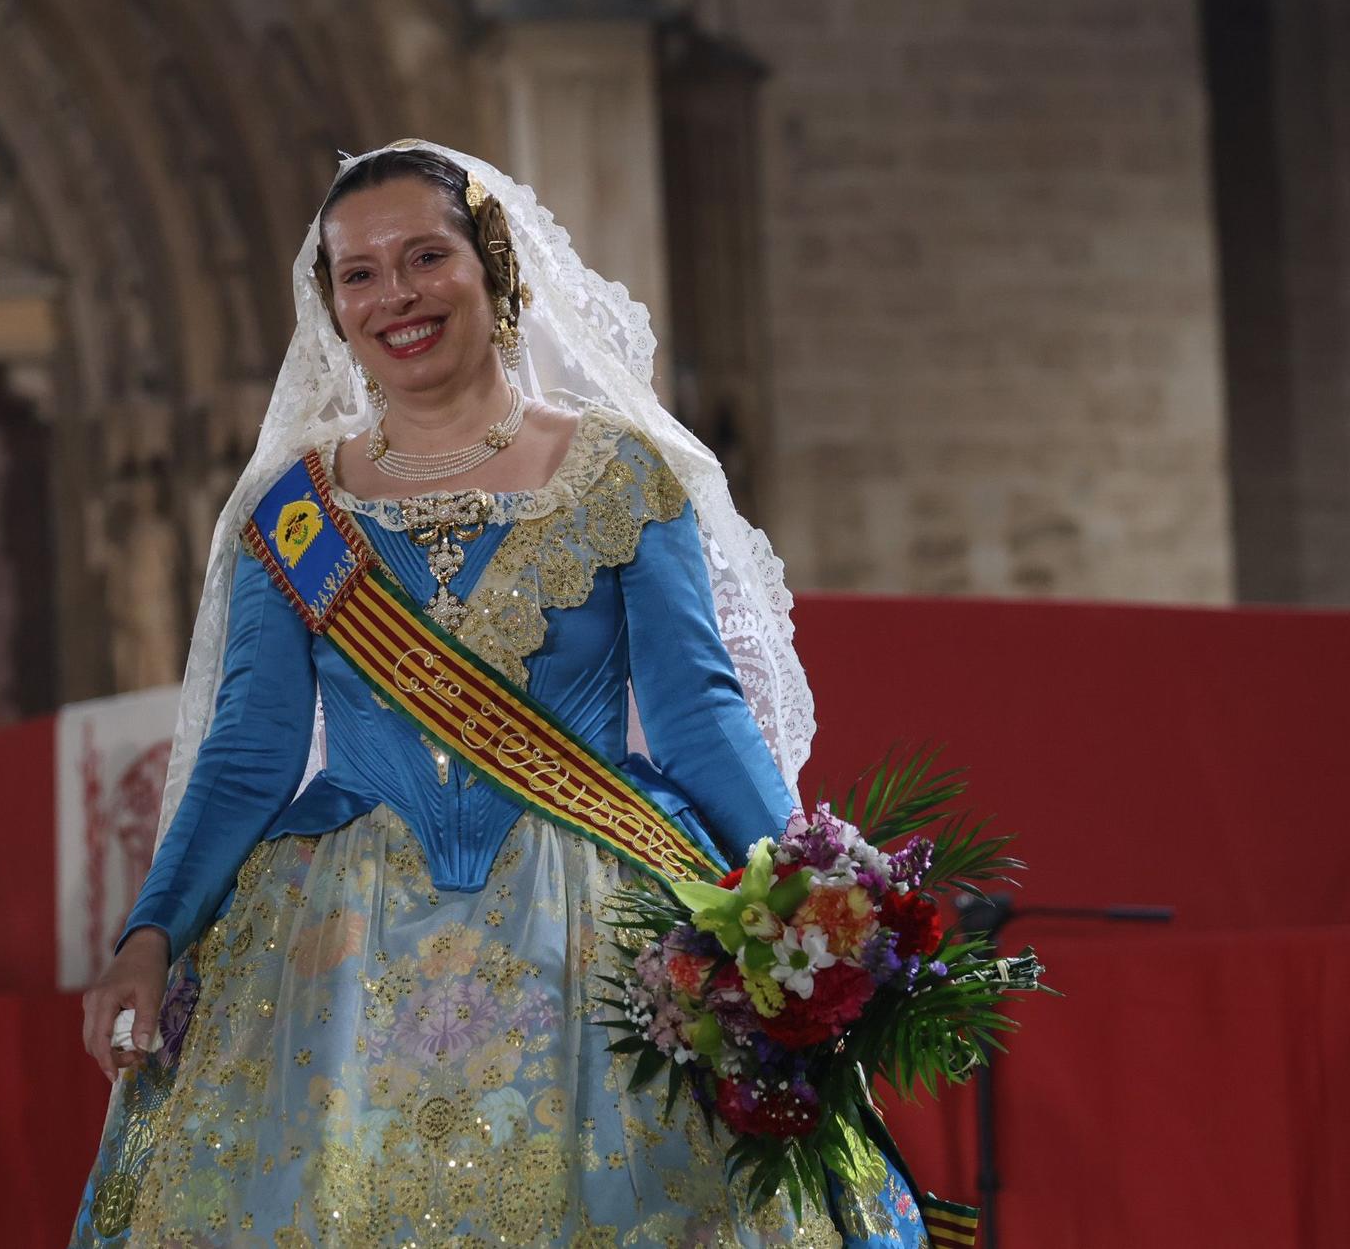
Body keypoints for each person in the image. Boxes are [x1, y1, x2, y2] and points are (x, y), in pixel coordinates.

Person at [73, 141, 928, 1246]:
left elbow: (698, 716)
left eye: (425, 256)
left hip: (597, 928)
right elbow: (248, 754)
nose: (396, 296)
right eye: (359, 274)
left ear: (494, 268)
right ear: (331, 306)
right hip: (336, 947)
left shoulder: (618, 476)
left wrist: (799, 897)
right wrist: (149, 933)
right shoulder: (290, 512)